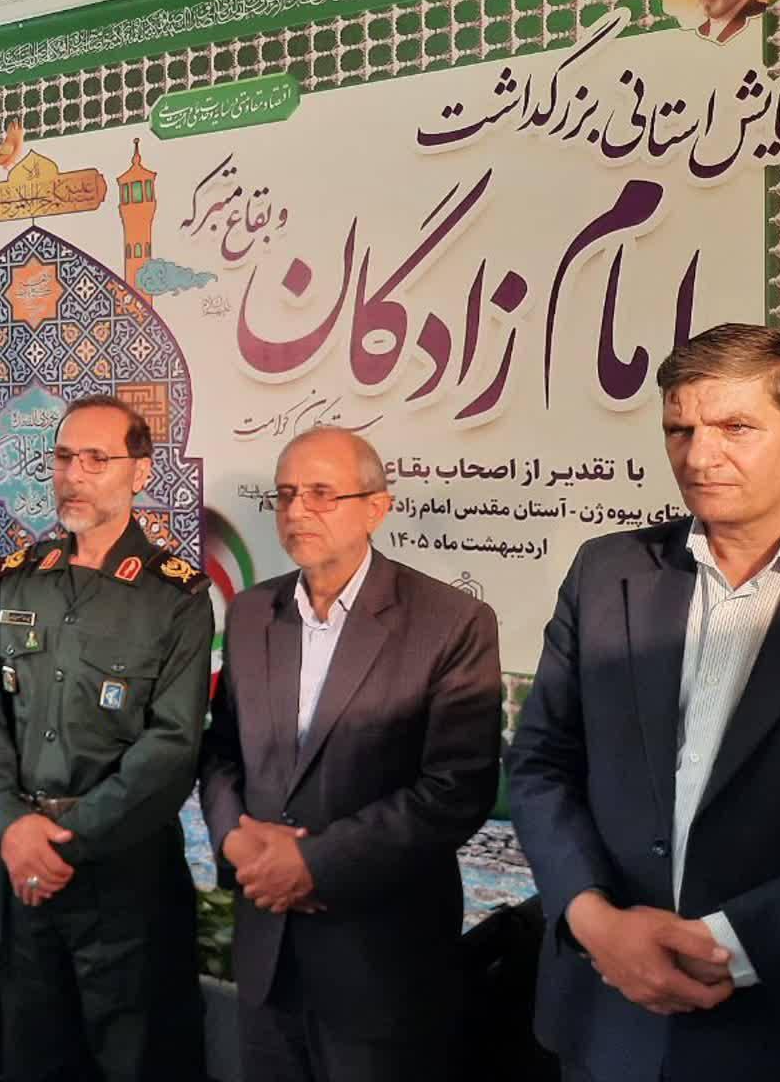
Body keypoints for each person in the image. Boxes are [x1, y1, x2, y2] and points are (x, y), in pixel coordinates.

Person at [509, 323, 780, 1081]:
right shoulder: (607, 573)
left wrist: (727, 945)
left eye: (736, 428)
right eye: (680, 430)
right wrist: (591, 918)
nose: (699, 457)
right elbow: (540, 762)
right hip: (606, 1017)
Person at [200, 427, 502, 1082]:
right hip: (267, 945)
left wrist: (314, 864)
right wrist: (233, 841)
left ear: (376, 508)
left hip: (378, 959)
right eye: (285, 494)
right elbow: (221, 749)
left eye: (320, 493)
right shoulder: (252, 613)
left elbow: (456, 789)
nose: (296, 511)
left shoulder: (450, 622)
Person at [0, 394, 213, 1082]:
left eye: (96, 459)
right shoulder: (19, 581)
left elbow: (171, 748)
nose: (73, 474)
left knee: (137, 1059)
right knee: (32, 1057)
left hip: (123, 876)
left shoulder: (175, 597)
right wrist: (11, 826)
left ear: (140, 472)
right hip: (22, 868)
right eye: (64, 457)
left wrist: (64, 842)